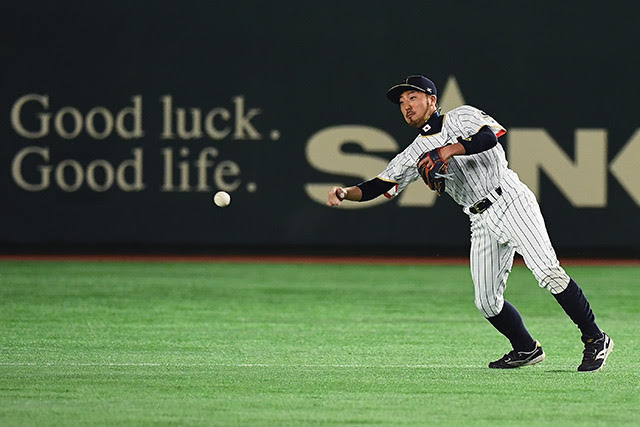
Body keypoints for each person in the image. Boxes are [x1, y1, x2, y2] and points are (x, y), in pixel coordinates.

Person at [327, 75, 614, 371]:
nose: (406, 106)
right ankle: (526, 349)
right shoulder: (413, 153)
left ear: (432, 100)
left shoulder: (461, 116)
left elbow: (488, 137)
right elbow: (380, 185)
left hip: (509, 199)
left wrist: (447, 150)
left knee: (547, 273)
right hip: (479, 217)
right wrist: (346, 193)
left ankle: (595, 338)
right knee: (487, 302)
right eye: (401, 102)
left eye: (412, 97)